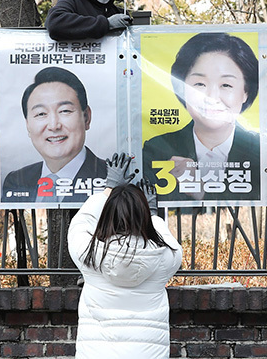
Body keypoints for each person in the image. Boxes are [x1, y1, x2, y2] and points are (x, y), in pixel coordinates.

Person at [68, 153, 182, 359]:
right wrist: (153, 215)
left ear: (107, 215)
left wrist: (109, 188)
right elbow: (169, 242)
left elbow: (80, 223)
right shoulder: (164, 258)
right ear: (144, 217)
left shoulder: (90, 253)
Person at [142, 33, 260, 201]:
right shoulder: (156, 150)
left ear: (245, 92)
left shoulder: (263, 152)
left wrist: (202, 190)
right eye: (199, 84)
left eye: (226, 85)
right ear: (182, 88)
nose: (212, 96)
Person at [2, 66, 107, 203]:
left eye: (65, 111)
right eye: (41, 114)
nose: (54, 126)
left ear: (86, 117)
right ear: (28, 124)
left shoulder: (111, 179)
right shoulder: (16, 180)